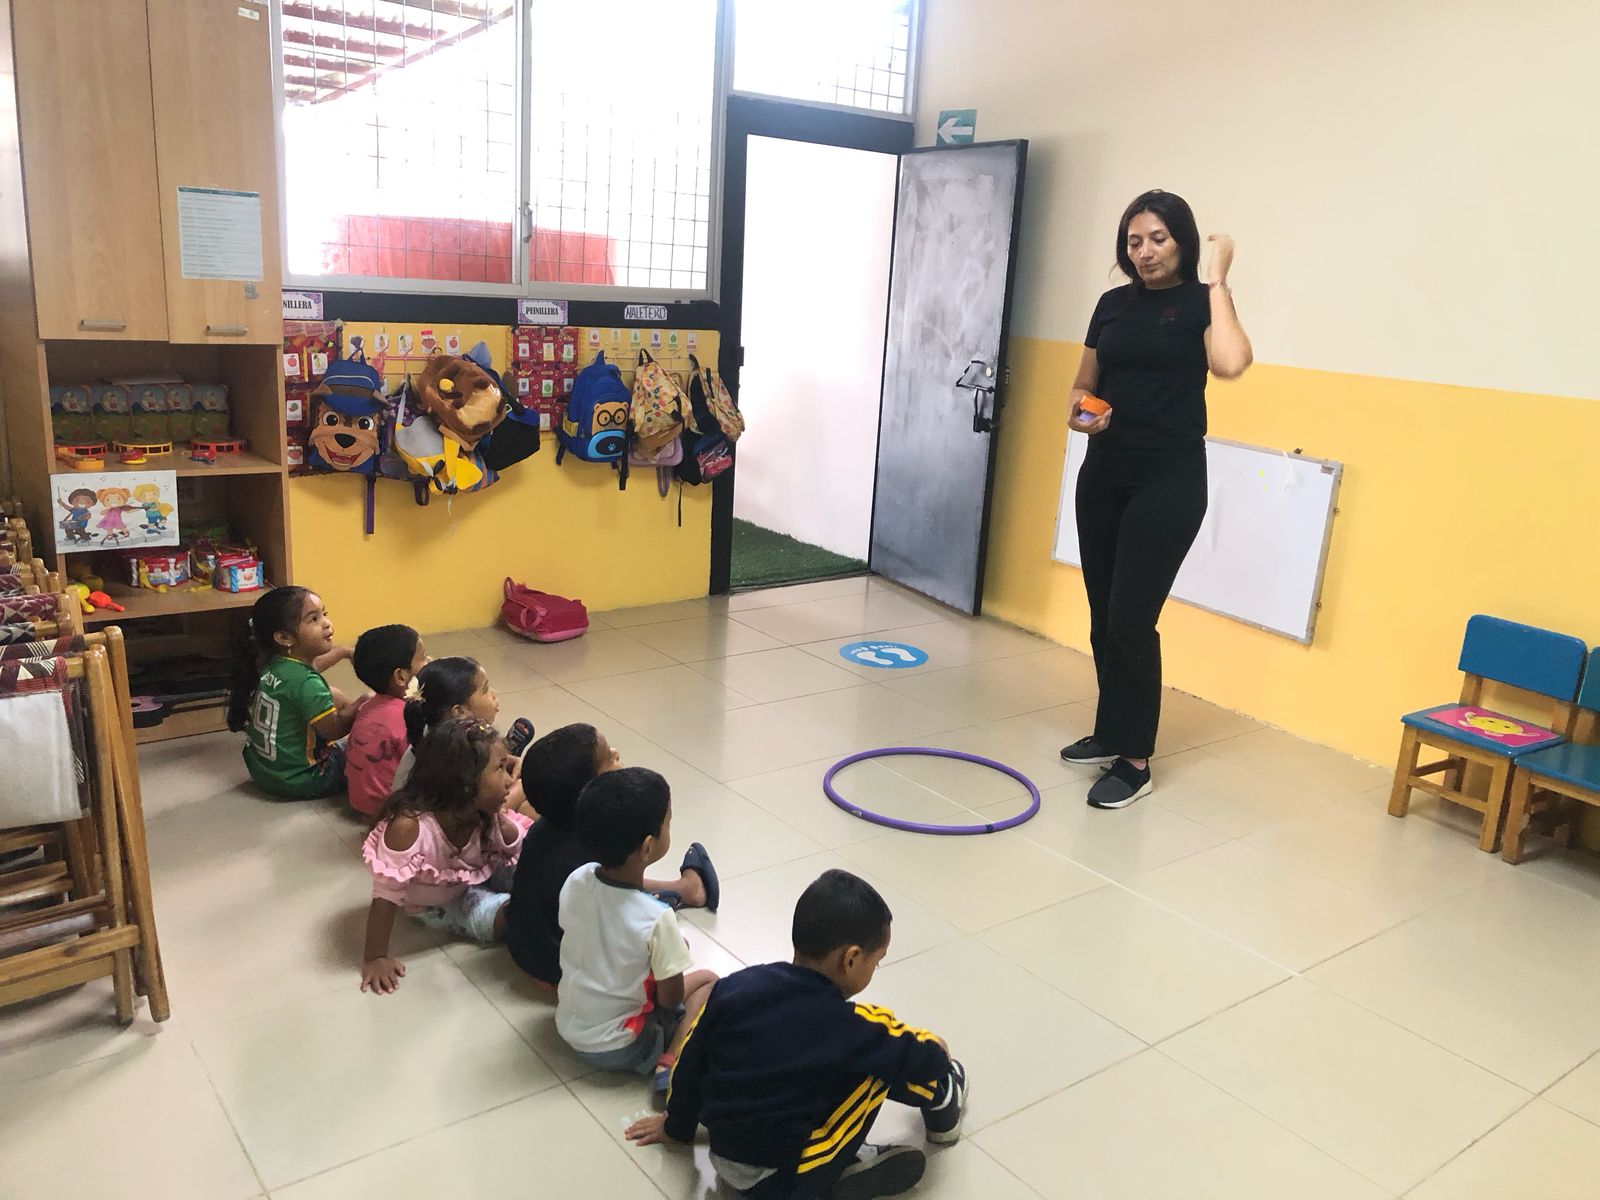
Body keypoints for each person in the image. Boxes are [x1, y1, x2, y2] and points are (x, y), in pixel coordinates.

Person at [1060, 189, 1254, 809]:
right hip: (1104, 473)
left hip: (1169, 479)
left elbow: (1231, 363)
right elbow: (1082, 384)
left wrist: (1217, 281)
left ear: (1183, 241)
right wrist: (1082, 414)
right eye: (1134, 241)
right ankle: (1111, 730)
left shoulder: (1201, 301)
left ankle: (1135, 759)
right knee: (1102, 613)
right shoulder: (1111, 305)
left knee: (1131, 618)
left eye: (1158, 239)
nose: (1144, 252)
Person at [625, 869, 967, 1200]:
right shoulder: (847, 1025)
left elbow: (690, 1060)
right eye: (875, 962)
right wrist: (939, 1054)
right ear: (851, 959)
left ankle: (851, 1162)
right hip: (784, 1178)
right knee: (882, 1063)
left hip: (723, 1156)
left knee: (822, 1065)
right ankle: (943, 1102)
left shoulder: (734, 987)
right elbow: (925, 1057)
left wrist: (676, 1127)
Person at [504, 723, 719, 988]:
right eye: (608, 758)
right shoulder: (598, 845)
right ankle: (685, 891)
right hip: (563, 973)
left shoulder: (546, 826)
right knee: (679, 949)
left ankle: (681, 890)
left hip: (524, 952)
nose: (616, 753)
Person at [555, 767, 718, 1104]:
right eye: (668, 822)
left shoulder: (577, 878)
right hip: (621, 1044)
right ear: (647, 847)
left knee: (666, 955)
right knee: (708, 981)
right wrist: (665, 959)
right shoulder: (657, 918)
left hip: (569, 1027)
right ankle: (670, 1062)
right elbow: (670, 999)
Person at [359, 717, 530, 994]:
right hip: (444, 902)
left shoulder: (483, 814)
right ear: (465, 785)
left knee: (537, 872)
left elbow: (517, 851)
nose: (510, 780)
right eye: (500, 768)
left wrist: (499, 820)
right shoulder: (409, 828)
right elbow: (385, 894)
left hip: (479, 868)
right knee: (513, 918)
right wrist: (375, 957)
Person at [227, 586, 365, 800]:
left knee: (333, 694)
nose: (326, 623)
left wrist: (344, 652)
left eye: (324, 614)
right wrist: (364, 703)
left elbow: (311, 667)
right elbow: (334, 730)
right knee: (363, 751)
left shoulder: (273, 662)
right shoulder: (306, 683)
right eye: (313, 619)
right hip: (303, 779)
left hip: (263, 771)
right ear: (284, 637)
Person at [344, 624, 427, 818]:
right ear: (401, 677)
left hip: (358, 800)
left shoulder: (368, 705)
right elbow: (422, 764)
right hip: (391, 809)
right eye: (423, 657)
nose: (429, 661)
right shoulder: (408, 716)